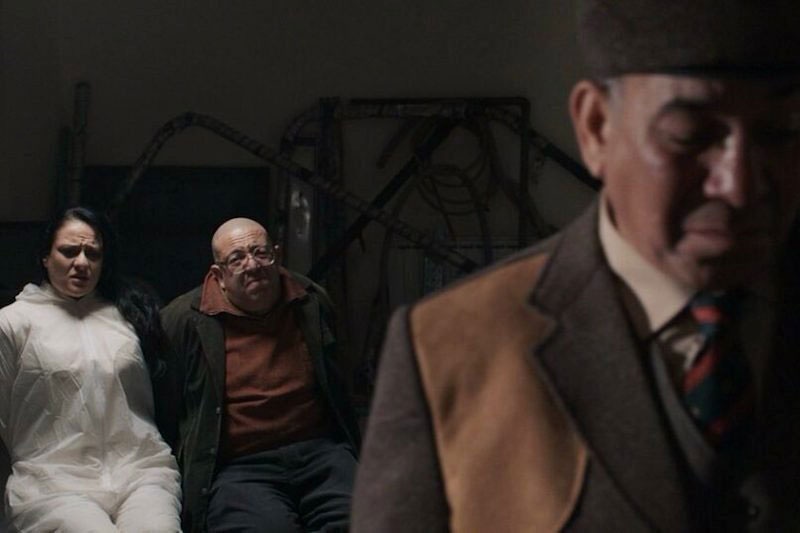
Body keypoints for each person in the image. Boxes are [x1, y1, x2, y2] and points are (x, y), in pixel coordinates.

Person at [351, 1, 800, 531]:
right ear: (596, 127)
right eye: (689, 135)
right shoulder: (449, 348)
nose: (740, 185)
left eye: (779, 131)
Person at [160, 217, 360, 532]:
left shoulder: (310, 300)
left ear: (277, 256)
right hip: (241, 466)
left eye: (260, 253)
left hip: (321, 453)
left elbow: (341, 383)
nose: (252, 265)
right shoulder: (183, 321)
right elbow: (166, 409)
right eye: (237, 259)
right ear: (218, 275)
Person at [0, 206, 181, 532]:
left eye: (93, 254)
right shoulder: (13, 323)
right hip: (52, 482)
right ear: (45, 257)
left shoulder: (128, 315)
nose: (82, 262)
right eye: (69, 251)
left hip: (141, 471)